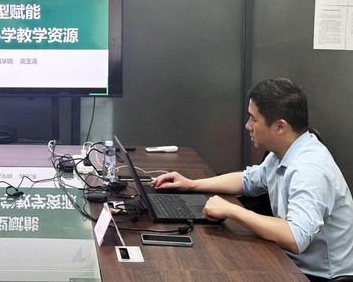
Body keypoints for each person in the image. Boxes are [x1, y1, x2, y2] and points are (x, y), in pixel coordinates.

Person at [151, 78, 353, 281]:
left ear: (280, 127)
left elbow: (295, 237)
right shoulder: (283, 152)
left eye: (253, 119)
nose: (248, 126)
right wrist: (190, 184)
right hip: (291, 263)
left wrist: (232, 210)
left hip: (318, 276)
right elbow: (247, 180)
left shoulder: (310, 169)